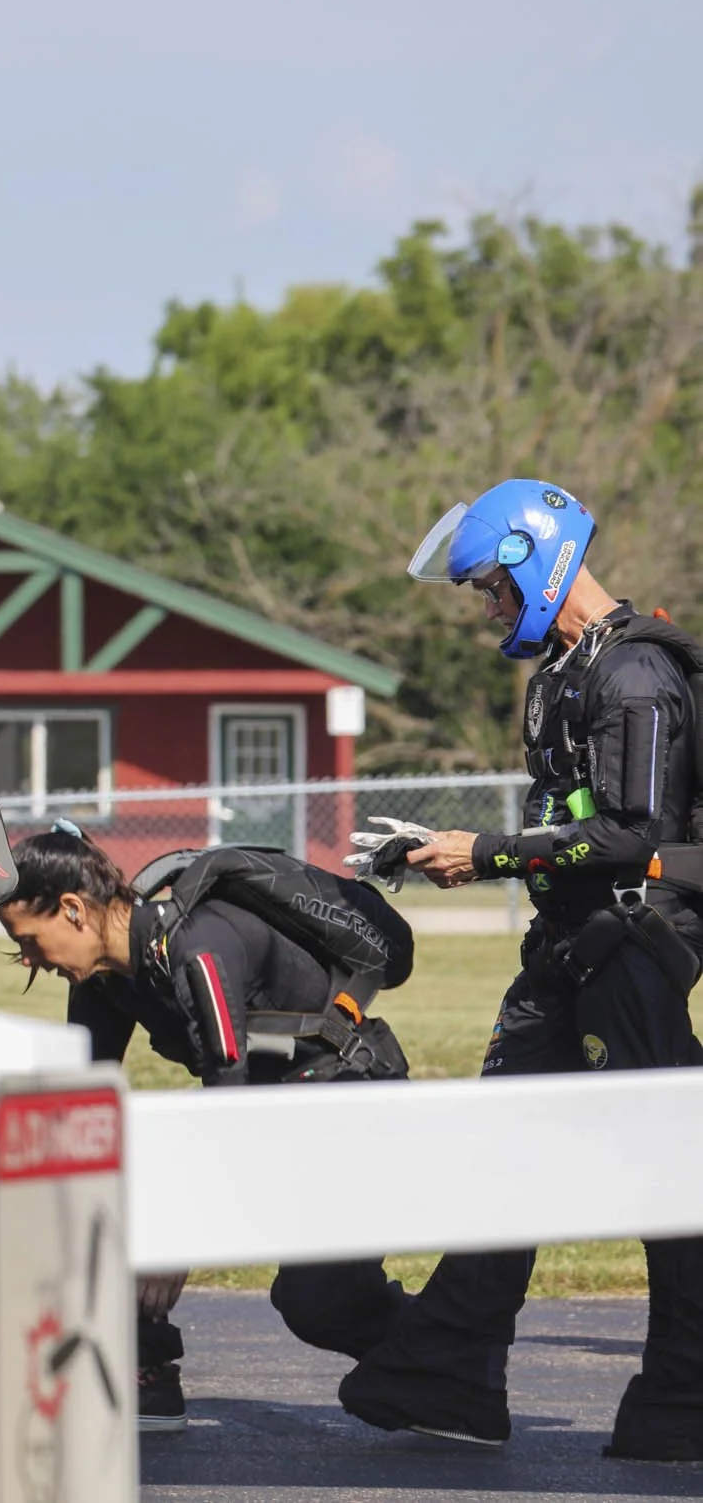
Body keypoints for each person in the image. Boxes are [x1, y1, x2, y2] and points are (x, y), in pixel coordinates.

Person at [337, 480, 703, 1459]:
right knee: (506, 1151)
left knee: (669, 1177)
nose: (490, 607)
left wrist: (488, 852)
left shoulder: (635, 675)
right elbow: (561, 822)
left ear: (538, 556)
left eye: (492, 586)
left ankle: (684, 1395)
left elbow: (633, 836)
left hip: (633, 951)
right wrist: (434, 850)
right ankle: (446, 1374)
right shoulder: (564, 676)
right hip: (566, 949)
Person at [0, 823, 412, 1432]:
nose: (28, 959)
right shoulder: (104, 980)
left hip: (346, 1103)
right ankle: (143, 1373)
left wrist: (180, 1235)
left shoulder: (198, 944)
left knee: (317, 1304)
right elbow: (79, 1105)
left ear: (72, 910)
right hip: (271, 1109)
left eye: (27, 939)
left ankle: (448, 1361)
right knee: (106, 1174)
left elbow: (229, 1098)